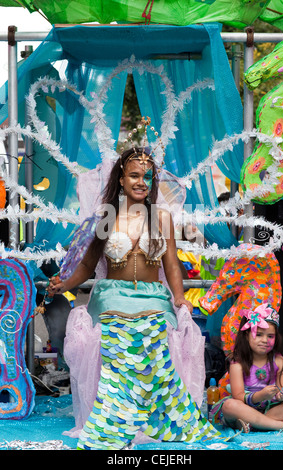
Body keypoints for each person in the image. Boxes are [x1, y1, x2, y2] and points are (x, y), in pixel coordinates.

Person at [48, 131, 219, 449]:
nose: (142, 181)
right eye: (135, 175)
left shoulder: (163, 218)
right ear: (122, 179)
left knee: (156, 347)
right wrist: (65, 284)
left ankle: (153, 417)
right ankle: (116, 421)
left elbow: (171, 266)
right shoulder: (105, 217)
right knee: (119, 350)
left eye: (148, 176)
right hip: (113, 296)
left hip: (153, 297)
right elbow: (87, 266)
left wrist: (180, 298)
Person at [212, 303, 283, 432]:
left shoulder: (279, 360)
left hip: (272, 408)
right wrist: (260, 395)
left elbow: (282, 391)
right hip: (245, 407)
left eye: (270, 336)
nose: (265, 340)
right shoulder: (237, 362)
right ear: (247, 335)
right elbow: (238, 396)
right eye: (259, 335)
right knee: (229, 406)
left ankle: (254, 423)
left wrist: (282, 395)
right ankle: (282, 425)